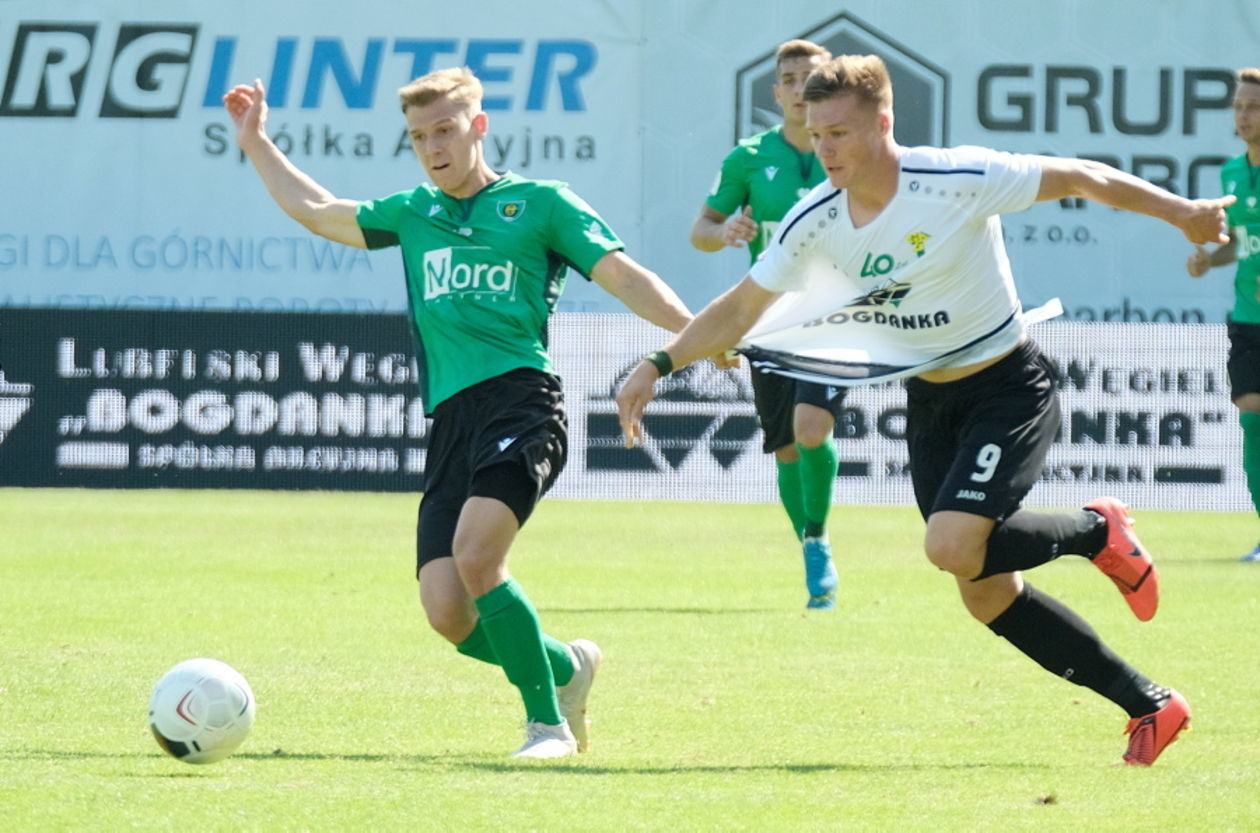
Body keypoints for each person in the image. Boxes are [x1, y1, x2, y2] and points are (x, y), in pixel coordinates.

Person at [618, 54, 1233, 765]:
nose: (824, 149)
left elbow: (1082, 177)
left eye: (840, 133)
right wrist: (659, 362)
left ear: (884, 123)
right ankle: (1150, 703)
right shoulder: (815, 218)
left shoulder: (955, 178)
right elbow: (741, 307)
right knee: (983, 591)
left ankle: (1097, 531)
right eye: (816, 134)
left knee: (950, 547)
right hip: (929, 397)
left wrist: (1185, 213)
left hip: (1008, 385)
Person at [224, 67, 694, 759]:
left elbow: (622, 274)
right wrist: (256, 140)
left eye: (445, 129)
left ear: (478, 127)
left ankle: (546, 726)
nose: (433, 146)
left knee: (479, 556)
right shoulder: (414, 212)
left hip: (523, 398)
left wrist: (692, 337)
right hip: (452, 419)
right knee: (447, 610)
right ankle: (568, 669)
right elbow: (318, 209)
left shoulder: (540, 203)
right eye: (419, 136)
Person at [690, 39, 843, 610]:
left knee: (810, 429)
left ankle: (819, 535)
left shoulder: (853, 152)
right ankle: (811, 542)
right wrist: (725, 231)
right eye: (790, 77)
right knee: (784, 449)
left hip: (834, 315)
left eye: (812, 76)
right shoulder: (748, 158)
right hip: (767, 317)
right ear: (777, 91)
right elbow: (701, 229)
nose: (801, 86)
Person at [1185, 67, 1260, 562]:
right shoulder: (1232, 172)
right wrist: (1209, 258)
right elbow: (1238, 245)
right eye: (1238, 107)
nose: (1243, 115)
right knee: (1251, 417)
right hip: (1248, 316)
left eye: (1253, 107)